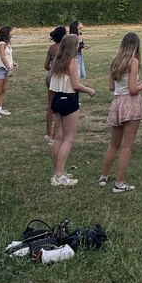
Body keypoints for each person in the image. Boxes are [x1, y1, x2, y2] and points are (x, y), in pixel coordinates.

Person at [98, 32, 142, 193]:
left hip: (117, 102)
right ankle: (120, 183)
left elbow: (111, 87)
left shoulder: (115, 60)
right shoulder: (133, 62)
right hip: (131, 104)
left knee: (114, 144)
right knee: (126, 146)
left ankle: (103, 176)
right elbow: (133, 89)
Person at [49, 34, 96, 186]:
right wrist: (89, 90)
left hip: (56, 99)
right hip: (69, 100)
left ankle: (56, 171)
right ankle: (60, 174)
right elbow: (76, 85)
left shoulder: (57, 61)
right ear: (73, 46)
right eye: (77, 44)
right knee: (69, 138)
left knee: (58, 137)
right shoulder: (72, 62)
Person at [43, 26, 67, 145]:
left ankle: (48, 133)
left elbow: (46, 65)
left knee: (50, 106)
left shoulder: (51, 48)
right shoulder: (63, 49)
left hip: (50, 76)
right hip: (59, 78)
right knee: (59, 107)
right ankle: (56, 136)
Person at [0, 25, 17, 119]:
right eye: (11, 32)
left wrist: (13, 63)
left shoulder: (7, 44)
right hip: (0, 69)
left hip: (6, 69)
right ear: (6, 33)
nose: (12, 33)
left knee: (3, 89)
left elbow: (8, 56)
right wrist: (9, 67)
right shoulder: (1, 43)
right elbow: (2, 57)